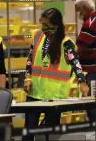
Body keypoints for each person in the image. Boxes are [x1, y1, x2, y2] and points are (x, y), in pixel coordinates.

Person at [23, 8, 89, 140]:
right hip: (34, 92)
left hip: (54, 96)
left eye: (47, 26)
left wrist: (82, 82)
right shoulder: (37, 35)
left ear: (56, 26)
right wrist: (27, 78)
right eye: (43, 24)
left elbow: (75, 63)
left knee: (51, 134)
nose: (44, 28)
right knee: (28, 133)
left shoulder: (66, 43)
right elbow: (30, 59)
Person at [75, 0, 96, 121]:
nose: (78, 14)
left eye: (78, 10)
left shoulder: (91, 23)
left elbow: (81, 46)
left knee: (92, 106)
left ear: (84, 8)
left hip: (93, 73)